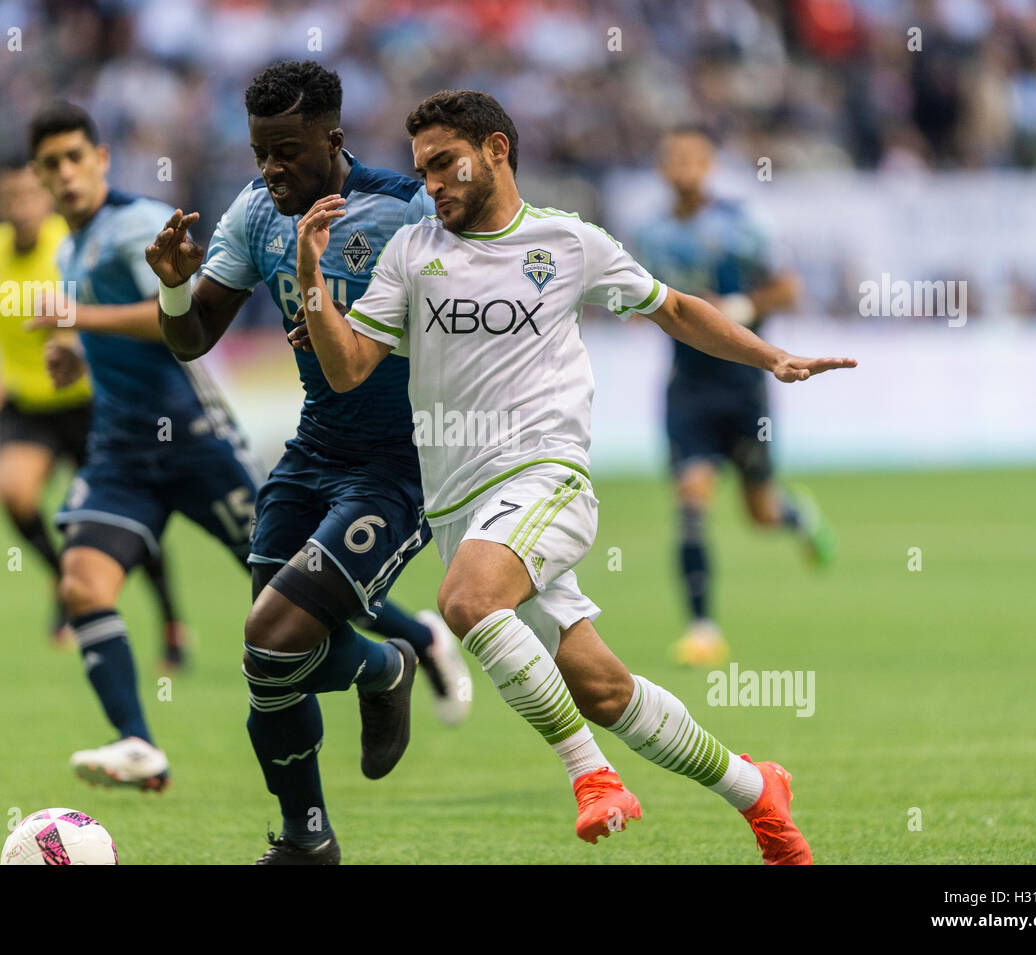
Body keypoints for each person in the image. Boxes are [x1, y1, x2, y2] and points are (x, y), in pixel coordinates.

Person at [294, 90, 858, 863]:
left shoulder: (567, 243)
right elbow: (348, 366)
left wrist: (773, 356)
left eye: (444, 163)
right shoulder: (411, 252)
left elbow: (674, 309)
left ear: (495, 150)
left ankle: (592, 778)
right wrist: (312, 281)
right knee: (601, 687)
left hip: (545, 478)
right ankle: (758, 791)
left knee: (465, 599)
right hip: (459, 505)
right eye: (421, 170)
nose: (431, 184)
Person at [149, 60, 471, 865]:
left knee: (271, 634)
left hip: (399, 467)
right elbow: (192, 340)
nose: (270, 169)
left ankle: (379, 676)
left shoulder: (406, 209)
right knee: (273, 660)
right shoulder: (257, 212)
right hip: (312, 451)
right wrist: (177, 290)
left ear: (332, 139)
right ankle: (314, 824)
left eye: (286, 150)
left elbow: (470, 322)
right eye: (260, 150)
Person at [27, 102, 263, 791]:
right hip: (123, 452)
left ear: (101, 159)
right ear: (40, 177)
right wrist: (77, 350)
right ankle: (138, 741)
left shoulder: (139, 223)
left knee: (298, 586)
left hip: (192, 438)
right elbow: (107, 331)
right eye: (51, 164)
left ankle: (409, 645)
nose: (66, 173)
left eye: (76, 157)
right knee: (81, 584)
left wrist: (78, 317)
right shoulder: (70, 247)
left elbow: (174, 320)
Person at [0, 158, 188, 663]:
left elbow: (107, 305)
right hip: (25, 404)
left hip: (92, 401)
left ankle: (170, 621)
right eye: (11, 198)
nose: (22, 207)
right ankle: (63, 580)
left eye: (30, 196)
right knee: (13, 493)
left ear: (46, 197)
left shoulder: (73, 247)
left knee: (127, 518)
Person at [634, 127, 837, 666]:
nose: (682, 167)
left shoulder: (741, 223)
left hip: (742, 385)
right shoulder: (649, 234)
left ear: (709, 165)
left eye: (692, 158)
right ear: (661, 169)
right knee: (691, 500)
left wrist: (743, 306)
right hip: (688, 388)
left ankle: (801, 518)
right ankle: (703, 628)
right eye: (672, 157)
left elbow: (788, 287)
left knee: (761, 511)